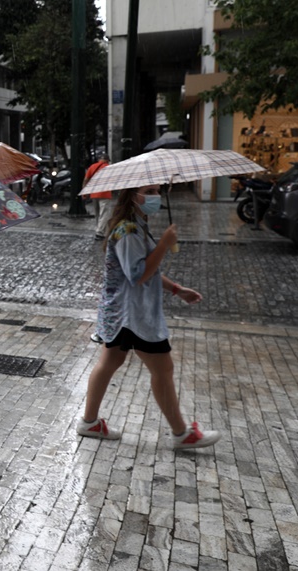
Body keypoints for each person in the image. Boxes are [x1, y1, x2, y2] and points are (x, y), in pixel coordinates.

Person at [79, 184, 220, 450]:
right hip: (133, 316)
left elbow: (148, 271)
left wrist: (176, 289)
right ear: (133, 196)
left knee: (110, 360)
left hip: (124, 312)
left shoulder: (136, 226)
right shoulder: (128, 231)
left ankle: (88, 422)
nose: (155, 196)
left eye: (157, 191)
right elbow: (138, 275)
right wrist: (165, 245)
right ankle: (182, 434)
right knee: (162, 368)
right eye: (150, 191)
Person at [83, 152, 113, 240]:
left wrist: (85, 192)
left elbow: (86, 180)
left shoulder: (92, 167)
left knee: (97, 213)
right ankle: (100, 232)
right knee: (104, 213)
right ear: (107, 160)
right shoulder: (109, 168)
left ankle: (99, 230)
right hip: (105, 193)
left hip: (94, 193)